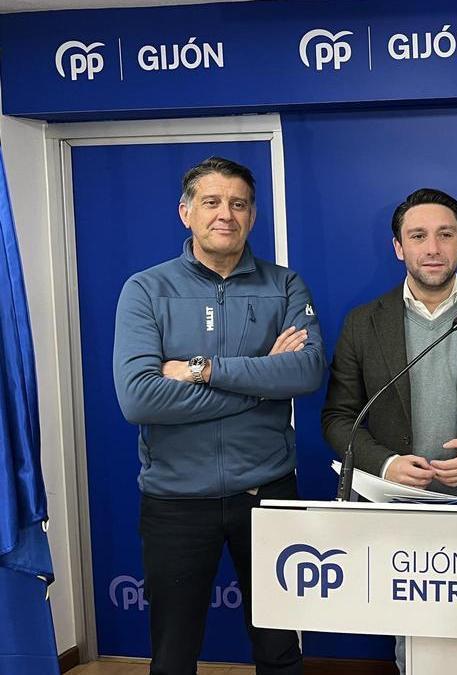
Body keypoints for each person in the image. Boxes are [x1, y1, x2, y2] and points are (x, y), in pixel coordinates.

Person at [113, 156, 325, 675]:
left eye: (239, 204)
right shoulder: (146, 290)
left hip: (269, 493)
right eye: (211, 202)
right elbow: (140, 399)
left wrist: (202, 369)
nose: (225, 214)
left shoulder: (285, 285)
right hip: (175, 500)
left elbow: (306, 372)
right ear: (186, 212)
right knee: (173, 654)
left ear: (252, 216)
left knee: (280, 649)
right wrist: (260, 385)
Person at [321, 188, 457, 675]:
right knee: (415, 651)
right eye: (418, 236)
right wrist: (386, 463)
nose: (432, 248)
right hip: (401, 511)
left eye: (444, 235)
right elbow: (337, 418)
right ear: (398, 247)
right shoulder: (363, 323)